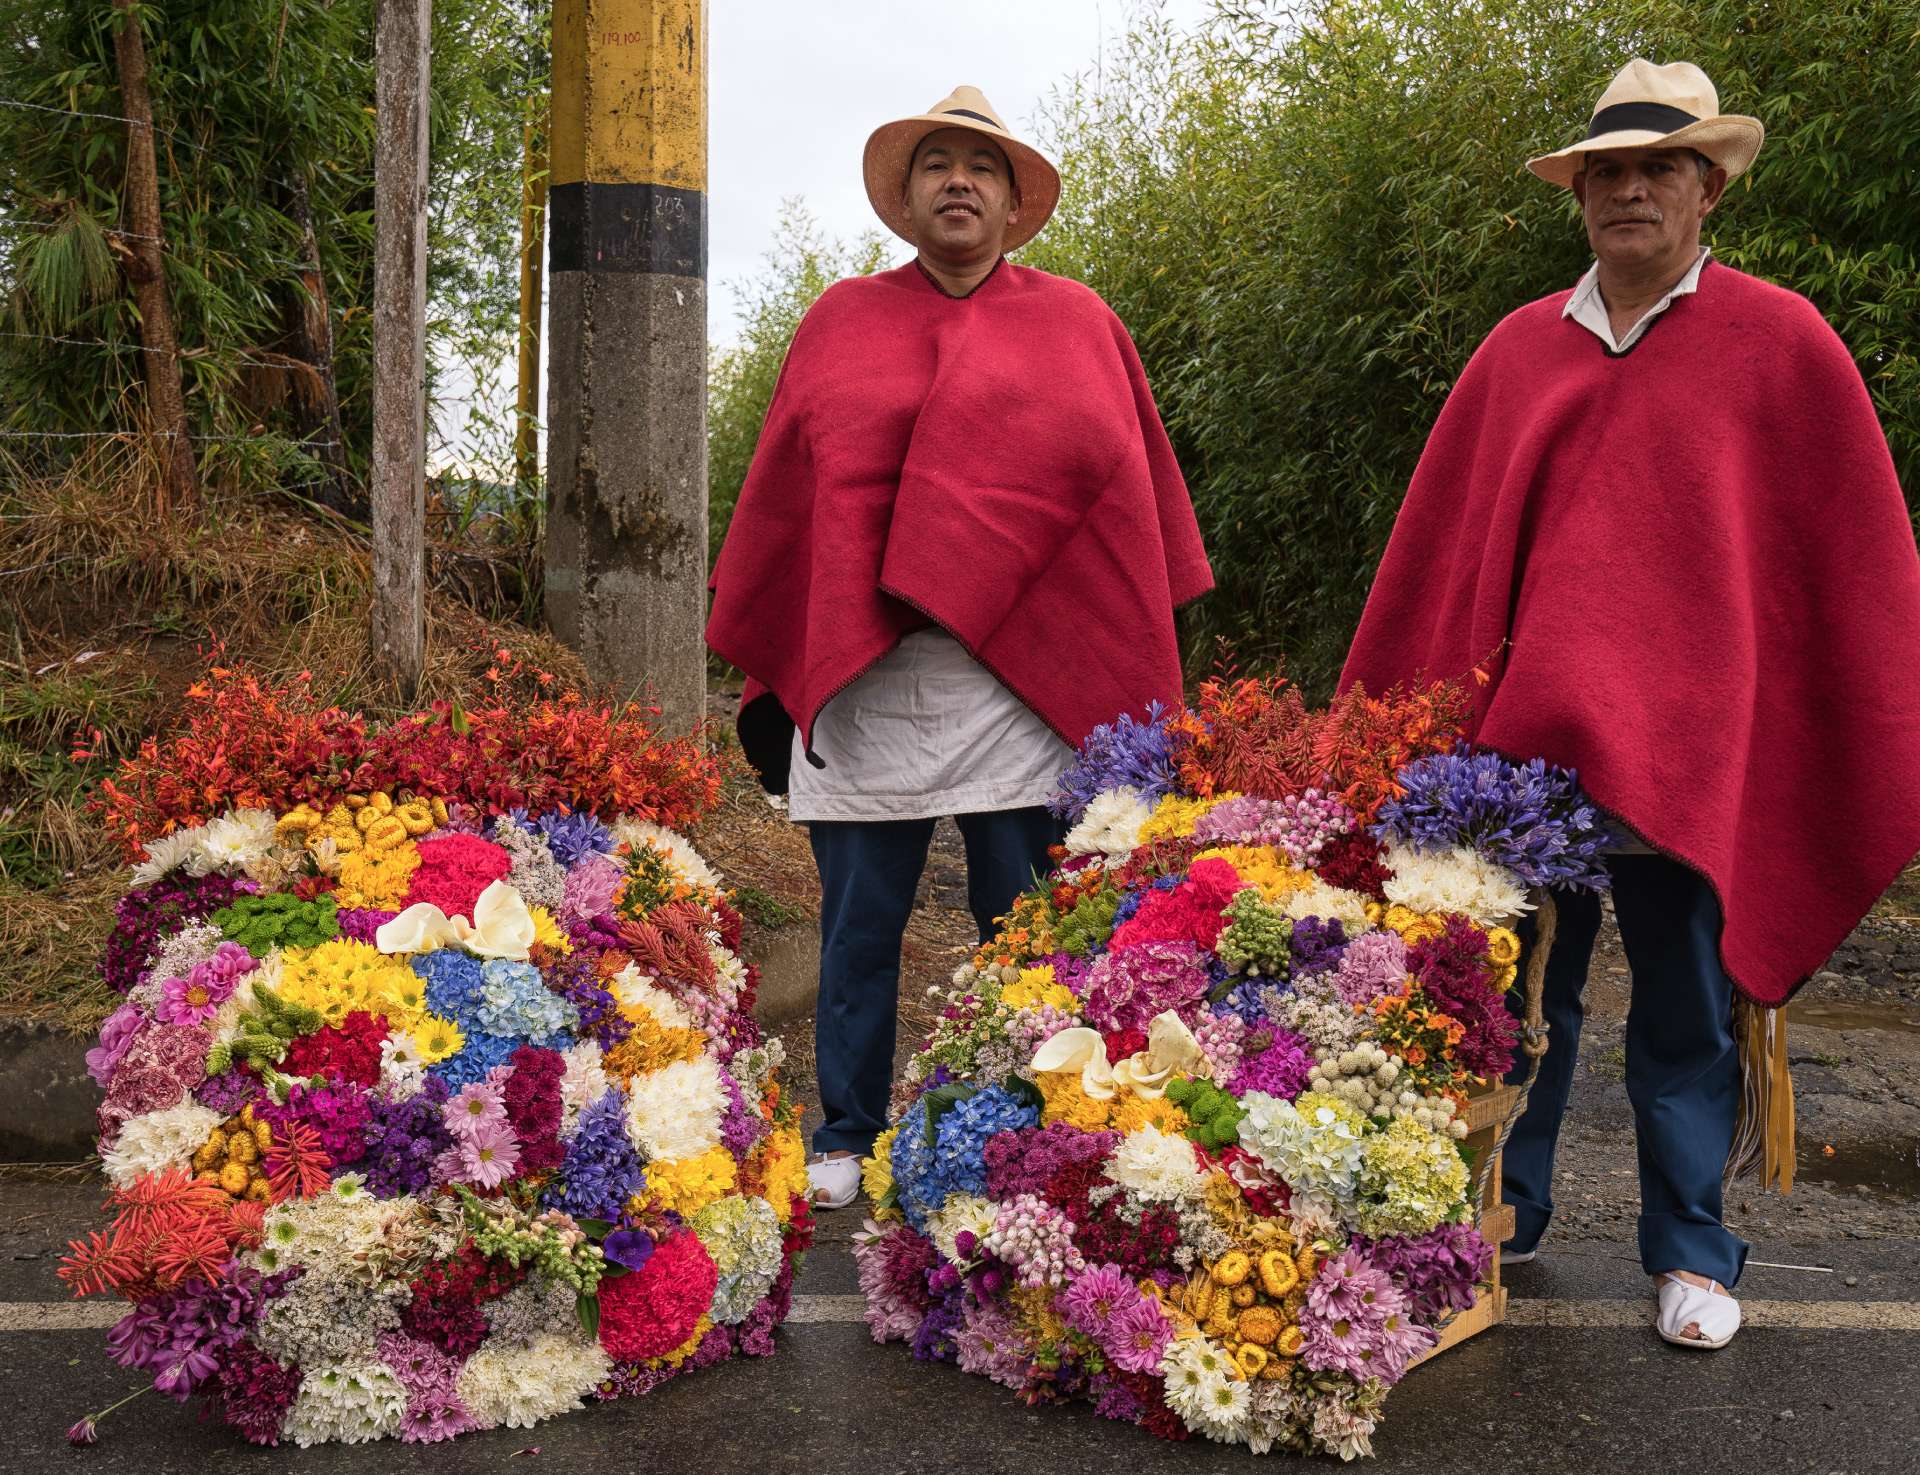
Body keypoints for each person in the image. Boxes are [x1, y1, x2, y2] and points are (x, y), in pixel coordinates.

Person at [1339, 59, 1920, 1349]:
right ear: (1581, 195)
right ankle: (1506, 1209)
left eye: (1660, 167)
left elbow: (1849, 563)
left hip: (1695, 753)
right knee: (1509, 992)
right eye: (1608, 170)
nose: (1632, 189)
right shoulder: (1515, 348)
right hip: (1522, 762)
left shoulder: (1783, 341)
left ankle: (1690, 1250)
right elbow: (1445, 555)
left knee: (1685, 1002)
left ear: (1708, 186)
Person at [706, 86, 1212, 1210]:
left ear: (1014, 198)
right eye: (937, 162)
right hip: (869, 673)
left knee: (1023, 921)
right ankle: (846, 1127)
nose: (958, 182)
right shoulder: (841, 318)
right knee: (859, 928)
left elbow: (1120, 500)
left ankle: (1022, 1116)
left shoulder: (1079, 323)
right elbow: (798, 500)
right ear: (906, 195)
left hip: (1021, 677)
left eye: (980, 166)